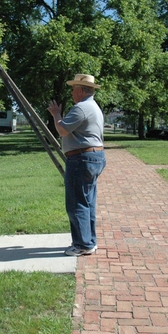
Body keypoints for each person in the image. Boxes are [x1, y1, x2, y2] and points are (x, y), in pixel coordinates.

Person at [47, 74, 106, 256]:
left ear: (80, 90)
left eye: (73, 89)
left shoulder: (81, 108)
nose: (72, 93)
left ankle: (82, 244)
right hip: (94, 157)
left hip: (81, 159)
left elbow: (63, 130)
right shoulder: (94, 107)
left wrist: (56, 114)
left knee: (77, 203)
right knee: (88, 202)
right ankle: (89, 241)